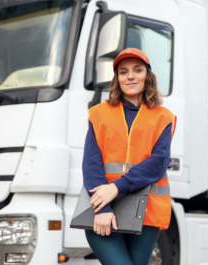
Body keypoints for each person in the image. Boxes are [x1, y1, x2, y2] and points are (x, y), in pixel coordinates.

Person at [82, 48, 177, 265]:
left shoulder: (163, 117)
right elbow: (91, 166)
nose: (130, 76)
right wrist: (103, 208)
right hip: (103, 212)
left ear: (148, 76)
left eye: (137, 70)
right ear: (117, 79)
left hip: (147, 213)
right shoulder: (99, 114)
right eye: (123, 72)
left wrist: (116, 187)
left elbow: (158, 163)